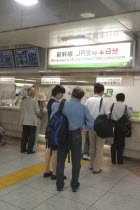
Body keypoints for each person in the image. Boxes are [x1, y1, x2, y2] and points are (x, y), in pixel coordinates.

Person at [51, 87, 94, 192]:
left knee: (60, 160)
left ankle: (59, 185)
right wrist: (86, 129)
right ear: (81, 98)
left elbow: (52, 118)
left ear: (71, 95)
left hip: (62, 135)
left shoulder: (61, 104)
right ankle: (74, 185)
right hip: (76, 135)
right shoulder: (82, 107)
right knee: (76, 161)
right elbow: (91, 122)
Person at [85, 83, 110, 174]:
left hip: (90, 126)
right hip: (100, 128)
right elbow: (107, 114)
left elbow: (85, 113)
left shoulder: (88, 100)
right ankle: (96, 168)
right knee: (99, 148)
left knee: (92, 147)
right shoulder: (104, 101)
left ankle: (91, 165)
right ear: (102, 91)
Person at [44, 85, 66, 180]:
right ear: (58, 93)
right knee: (55, 151)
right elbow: (56, 119)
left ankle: (46, 171)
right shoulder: (56, 104)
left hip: (49, 129)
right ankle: (55, 174)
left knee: (49, 150)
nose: (62, 96)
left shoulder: (50, 102)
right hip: (54, 131)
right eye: (61, 94)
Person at [110, 93, 132, 164]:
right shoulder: (125, 107)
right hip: (122, 129)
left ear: (116, 98)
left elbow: (108, 114)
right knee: (121, 144)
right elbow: (129, 115)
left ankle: (113, 160)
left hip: (113, 128)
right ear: (123, 99)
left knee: (113, 144)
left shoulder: (112, 105)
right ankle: (120, 161)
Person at [20, 87, 40, 154]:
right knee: (32, 136)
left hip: (24, 120)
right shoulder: (34, 101)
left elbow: (21, 109)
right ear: (32, 93)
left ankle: (22, 149)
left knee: (24, 135)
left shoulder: (23, 101)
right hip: (32, 121)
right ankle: (29, 150)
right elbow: (37, 111)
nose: (35, 93)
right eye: (34, 92)